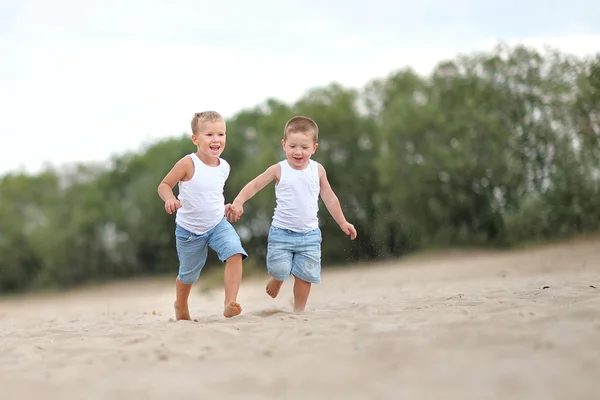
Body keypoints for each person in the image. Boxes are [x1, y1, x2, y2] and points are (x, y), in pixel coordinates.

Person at [226, 115, 357, 312]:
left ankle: (299, 311)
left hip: (310, 235)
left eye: (304, 147)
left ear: (314, 148)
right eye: (293, 146)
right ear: (284, 144)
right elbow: (255, 185)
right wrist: (238, 202)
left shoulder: (318, 170)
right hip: (282, 232)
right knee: (280, 268)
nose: (298, 152)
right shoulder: (279, 169)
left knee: (305, 275)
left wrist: (343, 222)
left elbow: (330, 198)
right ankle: (278, 278)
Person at [157, 111, 248, 320]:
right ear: (195, 139)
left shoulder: (224, 167)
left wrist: (225, 206)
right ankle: (180, 305)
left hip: (217, 224)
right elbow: (164, 185)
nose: (216, 139)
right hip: (189, 230)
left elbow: (212, 193)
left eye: (221, 134)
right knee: (188, 274)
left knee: (235, 252)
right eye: (209, 135)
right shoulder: (188, 163)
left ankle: (229, 303)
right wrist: (169, 199)